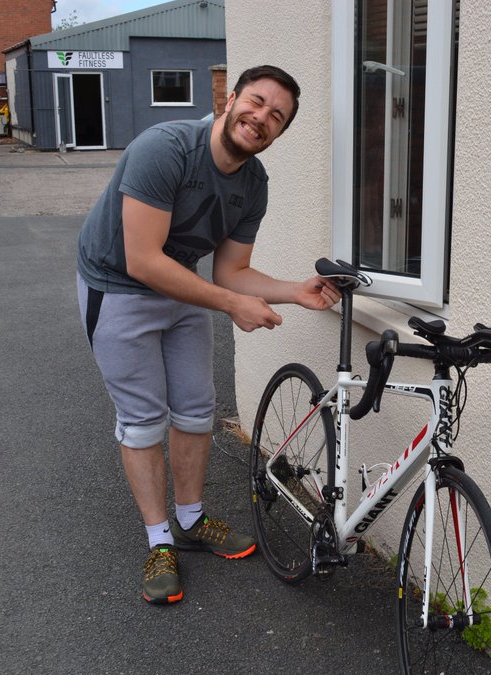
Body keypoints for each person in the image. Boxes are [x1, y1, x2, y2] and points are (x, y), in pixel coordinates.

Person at [75, 65, 338, 605]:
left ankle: (192, 520)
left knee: (196, 409)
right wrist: (230, 304)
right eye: (257, 101)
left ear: (280, 133)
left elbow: (231, 273)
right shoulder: (166, 148)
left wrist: (294, 290)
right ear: (231, 97)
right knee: (144, 419)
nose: (261, 117)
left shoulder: (253, 185)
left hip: (182, 287)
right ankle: (159, 540)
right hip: (118, 286)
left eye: (277, 116)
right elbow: (143, 260)